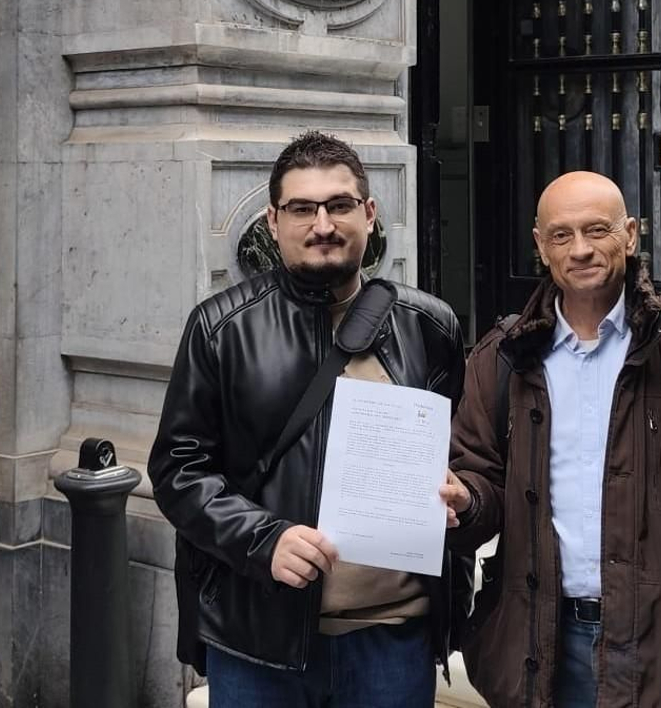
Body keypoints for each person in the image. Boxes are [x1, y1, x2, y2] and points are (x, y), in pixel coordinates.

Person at [441, 170, 661, 708]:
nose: (580, 249)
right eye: (561, 235)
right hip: (541, 647)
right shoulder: (501, 358)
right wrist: (466, 501)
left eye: (597, 230)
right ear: (540, 246)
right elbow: (480, 486)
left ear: (629, 235)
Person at [150, 130, 468, 707]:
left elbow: (465, 459)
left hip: (394, 639)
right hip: (259, 640)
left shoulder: (430, 325)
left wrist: (461, 497)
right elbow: (178, 472)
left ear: (369, 215)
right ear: (274, 221)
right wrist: (264, 539)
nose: (322, 224)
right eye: (302, 208)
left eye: (340, 205)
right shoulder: (221, 329)